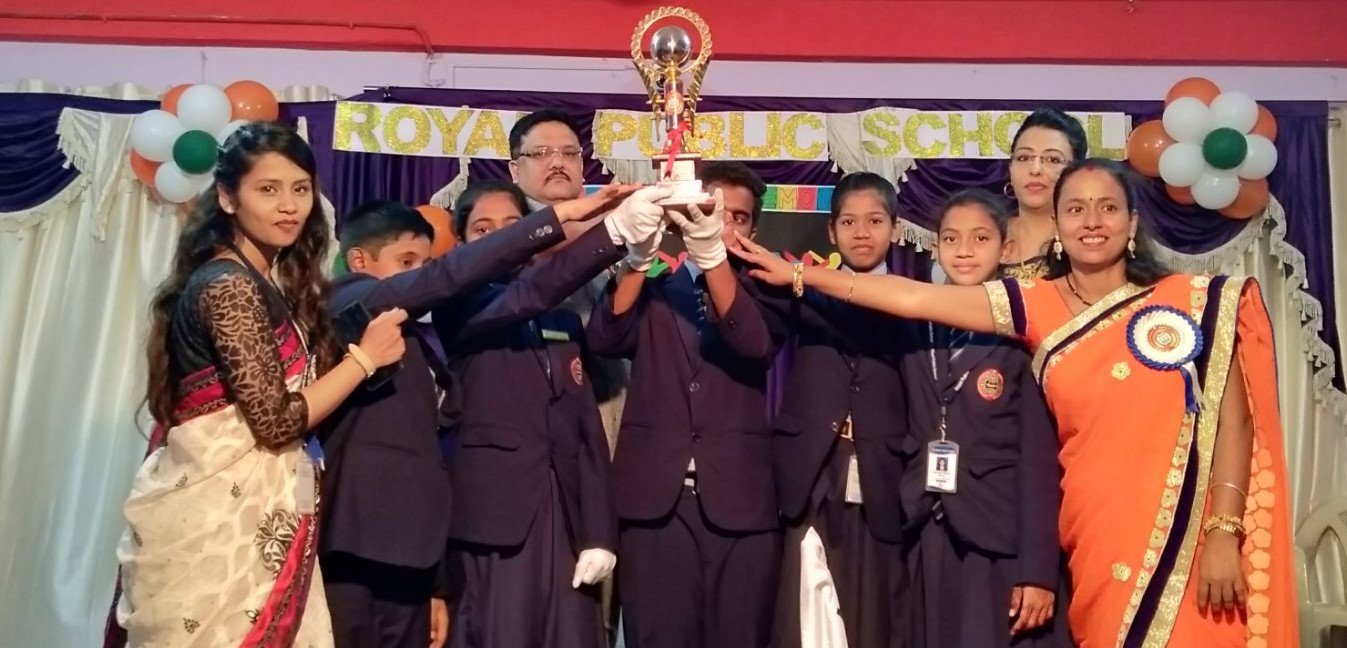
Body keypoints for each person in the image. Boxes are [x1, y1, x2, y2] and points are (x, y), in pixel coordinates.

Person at [731, 158, 1299, 647]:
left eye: (1107, 208)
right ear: (1057, 226)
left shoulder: (1189, 303)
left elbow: (1230, 419)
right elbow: (908, 297)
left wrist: (1224, 529)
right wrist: (800, 275)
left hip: (1180, 526)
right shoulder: (1034, 304)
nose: (1091, 221)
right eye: (1075, 209)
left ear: (1132, 223)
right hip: (1091, 526)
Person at [114, 121, 408, 647]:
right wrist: (365, 359)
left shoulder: (265, 280)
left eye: (300, 189)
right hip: (217, 527)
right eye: (268, 189)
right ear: (228, 198)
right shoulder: (229, 284)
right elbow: (276, 421)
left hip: (254, 520)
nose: (289, 206)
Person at [319, 190, 624, 648]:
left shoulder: (422, 335)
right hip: (368, 535)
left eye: (424, 263)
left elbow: (584, 432)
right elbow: (498, 289)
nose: (420, 274)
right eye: (407, 262)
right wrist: (609, 232)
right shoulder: (358, 299)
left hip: (423, 545)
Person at [433, 181, 671, 648]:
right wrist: (613, 231)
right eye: (484, 230)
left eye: (513, 226)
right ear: (460, 244)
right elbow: (529, 294)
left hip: (566, 521)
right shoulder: (455, 305)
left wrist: (599, 533)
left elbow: (586, 433)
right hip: (495, 524)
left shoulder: (561, 321)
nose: (503, 239)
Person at [587, 162, 788, 648]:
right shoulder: (654, 289)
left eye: (737, 217)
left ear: (753, 230)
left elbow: (753, 344)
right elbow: (605, 339)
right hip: (655, 503)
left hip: (741, 506)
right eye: (712, 210)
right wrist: (638, 258)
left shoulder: (771, 291)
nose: (723, 223)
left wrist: (714, 257)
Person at [897, 188, 1068, 648]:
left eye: (980, 238)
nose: (964, 250)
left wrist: (1038, 570)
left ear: (1005, 249)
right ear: (935, 247)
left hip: (998, 531)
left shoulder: (1023, 332)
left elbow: (1039, 461)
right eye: (951, 239)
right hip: (929, 521)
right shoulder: (914, 320)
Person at [754, 172, 908, 648]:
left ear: (896, 228)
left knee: (874, 615)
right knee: (802, 613)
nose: (862, 233)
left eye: (875, 221)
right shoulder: (804, 293)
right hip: (810, 469)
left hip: (881, 472)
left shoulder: (915, 299)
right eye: (849, 222)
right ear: (831, 231)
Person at [508, 109, 630, 453]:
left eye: (569, 153)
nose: (557, 162)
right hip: (543, 407)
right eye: (541, 153)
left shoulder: (606, 223)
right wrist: (620, 219)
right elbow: (541, 242)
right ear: (515, 170)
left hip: (614, 396)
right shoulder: (508, 224)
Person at [1001, 108, 1088, 280]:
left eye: (1053, 159)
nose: (1035, 170)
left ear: (1077, 171)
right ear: (1010, 167)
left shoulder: (1090, 238)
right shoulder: (985, 235)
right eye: (1024, 158)